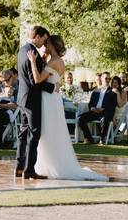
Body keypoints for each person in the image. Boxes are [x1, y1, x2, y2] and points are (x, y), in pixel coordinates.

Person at [27, 34, 106, 181]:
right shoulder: (58, 61)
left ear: (53, 46)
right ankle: (47, 163)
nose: (45, 46)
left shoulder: (53, 62)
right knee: (52, 130)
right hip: (54, 98)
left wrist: (32, 62)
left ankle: (50, 165)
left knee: (48, 130)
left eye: (47, 44)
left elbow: (37, 79)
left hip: (49, 99)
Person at [16, 25, 55, 180]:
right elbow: (35, 81)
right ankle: (29, 169)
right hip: (32, 100)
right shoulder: (33, 54)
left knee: (23, 134)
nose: (44, 43)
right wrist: (52, 87)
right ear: (37, 36)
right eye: (44, 39)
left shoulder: (22, 50)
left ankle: (19, 167)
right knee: (34, 133)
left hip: (22, 98)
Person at [77, 72, 117, 144]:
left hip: (105, 112)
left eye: (109, 78)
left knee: (104, 119)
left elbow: (112, 106)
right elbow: (90, 103)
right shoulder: (95, 91)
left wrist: (103, 109)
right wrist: (92, 108)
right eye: (106, 78)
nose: (108, 80)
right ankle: (89, 138)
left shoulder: (112, 92)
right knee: (80, 119)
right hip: (95, 112)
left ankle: (102, 138)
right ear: (101, 79)